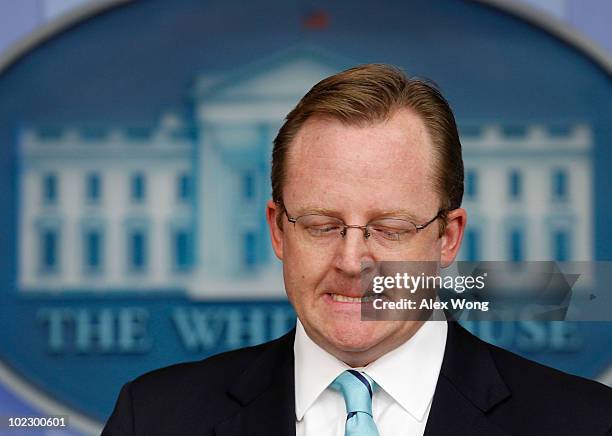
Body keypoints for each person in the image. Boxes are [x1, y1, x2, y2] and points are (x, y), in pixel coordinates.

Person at [103, 64, 612, 435]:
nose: (352, 263)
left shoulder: (586, 424)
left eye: (389, 227)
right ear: (279, 231)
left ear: (448, 237)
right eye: (322, 225)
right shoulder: (151, 419)